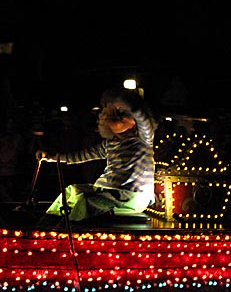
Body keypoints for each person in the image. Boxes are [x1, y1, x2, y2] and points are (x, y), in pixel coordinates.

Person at [36, 87, 158, 225]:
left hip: (130, 196)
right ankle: (46, 223)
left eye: (121, 112)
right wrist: (52, 157)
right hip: (106, 191)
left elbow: (140, 114)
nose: (117, 116)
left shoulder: (143, 138)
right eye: (112, 114)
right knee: (71, 191)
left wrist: (122, 100)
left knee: (86, 201)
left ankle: (67, 229)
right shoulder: (109, 144)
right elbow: (82, 156)